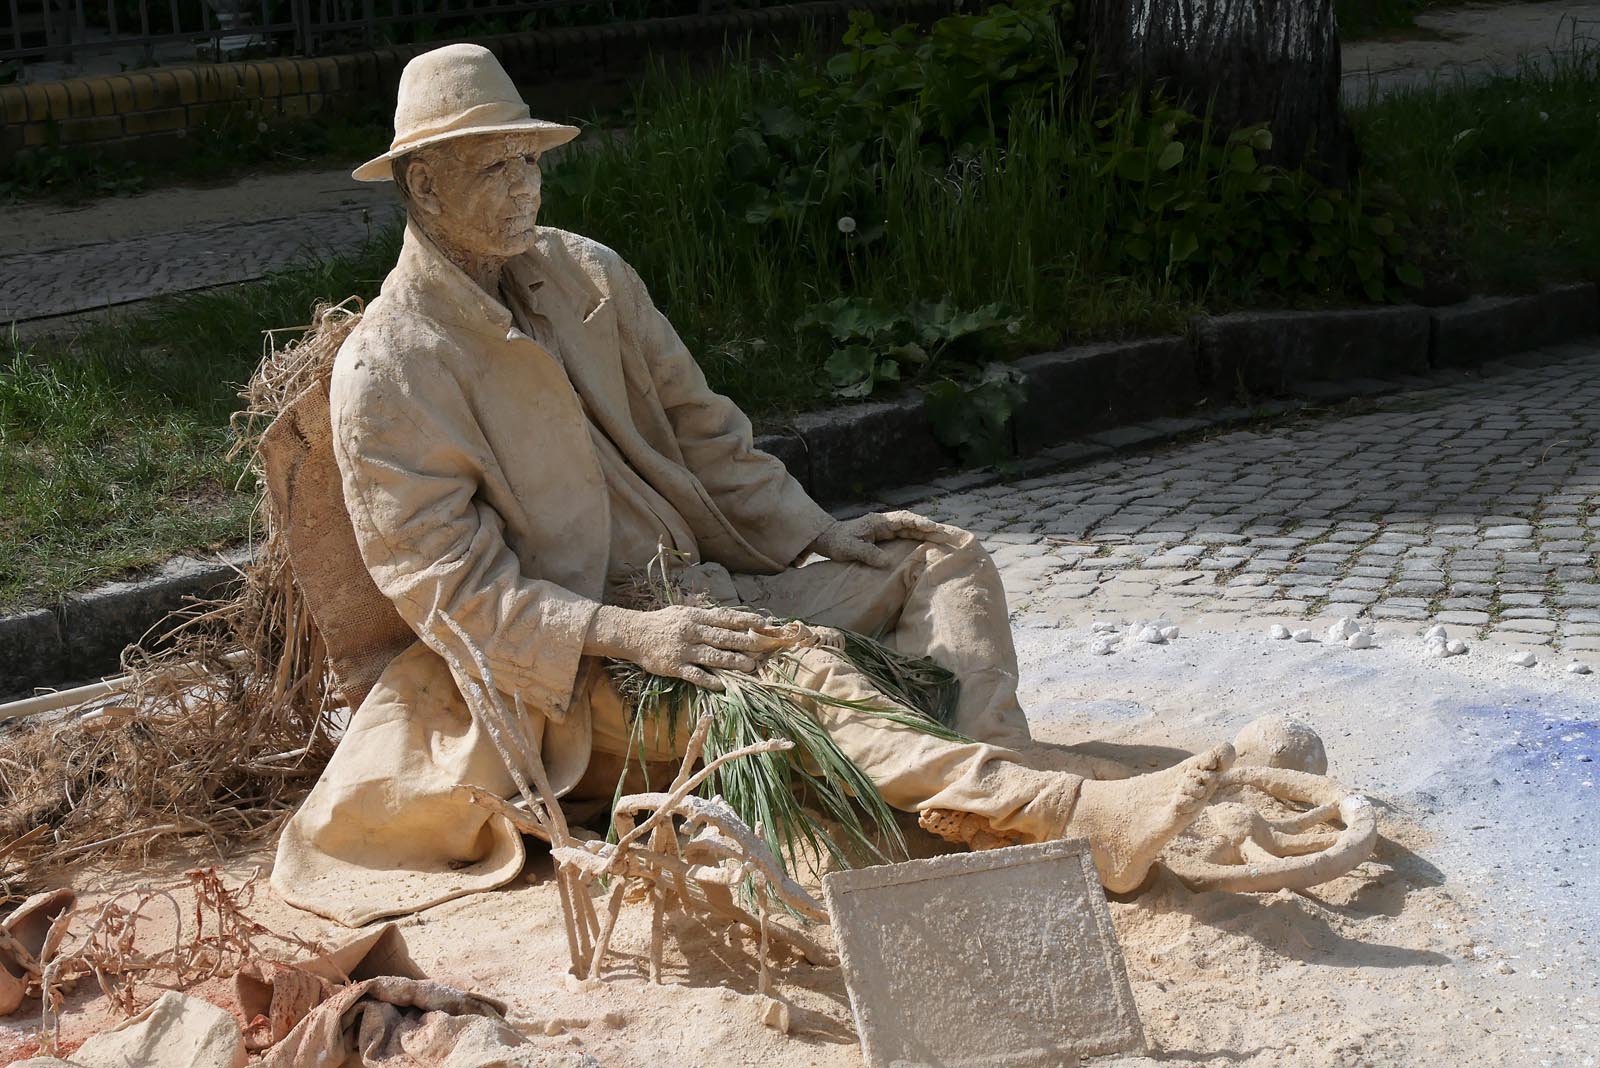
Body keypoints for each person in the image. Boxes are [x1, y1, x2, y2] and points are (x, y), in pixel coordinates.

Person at [271, 43, 1231, 927]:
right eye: (495, 168)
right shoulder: (391, 373)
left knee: (940, 560)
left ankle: (990, 785)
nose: (526, 187)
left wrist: (815, 533)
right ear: (424, 185)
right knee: (797, 665)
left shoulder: (585, 273)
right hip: (575, 675)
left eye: (532, 161)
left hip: (704, 588)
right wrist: (633, 632)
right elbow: (452, 594)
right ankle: (1067, 816)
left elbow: (704, 429)